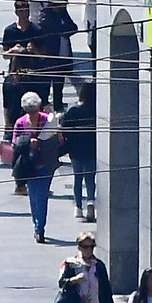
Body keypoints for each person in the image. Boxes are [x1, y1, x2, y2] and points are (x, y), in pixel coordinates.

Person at [13, 93, 62, 242]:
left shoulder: (48, 120)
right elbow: (14, 143)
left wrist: (56, 135)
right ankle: (37, 225)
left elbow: (59, 141)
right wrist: (28, 141)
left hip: (46, 163)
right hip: (29, 165)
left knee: (42, 196)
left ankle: (40, 227)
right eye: (29, 112)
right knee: (34, 197)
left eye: (35, 111)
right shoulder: (20, 123)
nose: (33, 114)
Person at [62, 84, 98, 221]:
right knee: (90, 178)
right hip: (92, 148)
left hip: (75, 149)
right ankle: (90, 202)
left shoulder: (73, 110)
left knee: (78, 177)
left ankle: (78, 207)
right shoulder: (95, 111)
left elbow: (65, 129)